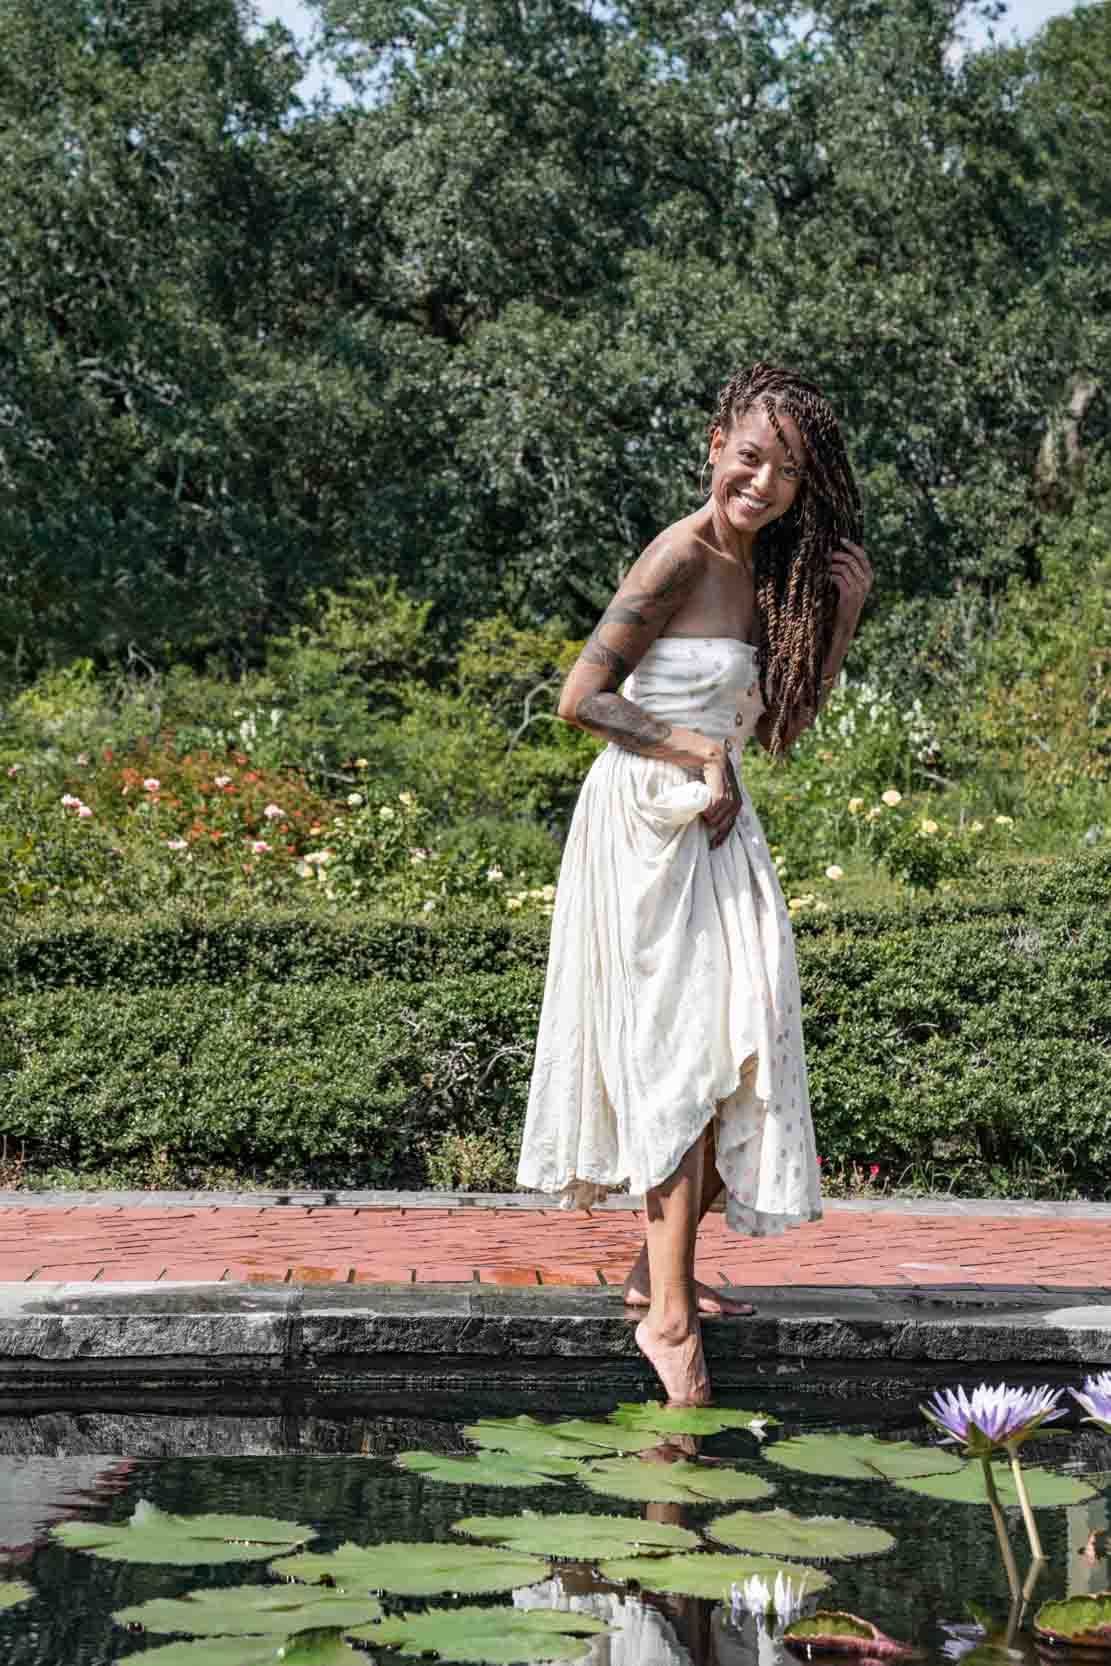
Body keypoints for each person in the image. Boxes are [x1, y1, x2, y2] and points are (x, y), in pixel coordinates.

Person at [516, 362, 873, 1405]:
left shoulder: (767, 576)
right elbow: (580, 697)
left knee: (737, 1044)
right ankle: (668, 1315)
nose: (759, 480)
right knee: (679, 1053)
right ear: (714, 443)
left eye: (785, 470)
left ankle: (650, 1274)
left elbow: (779, 729)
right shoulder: (677, 551)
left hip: (717, 821)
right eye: (749, 455)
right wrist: (691, 752)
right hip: (645, 824)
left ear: (803, 490)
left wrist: (842, 615)